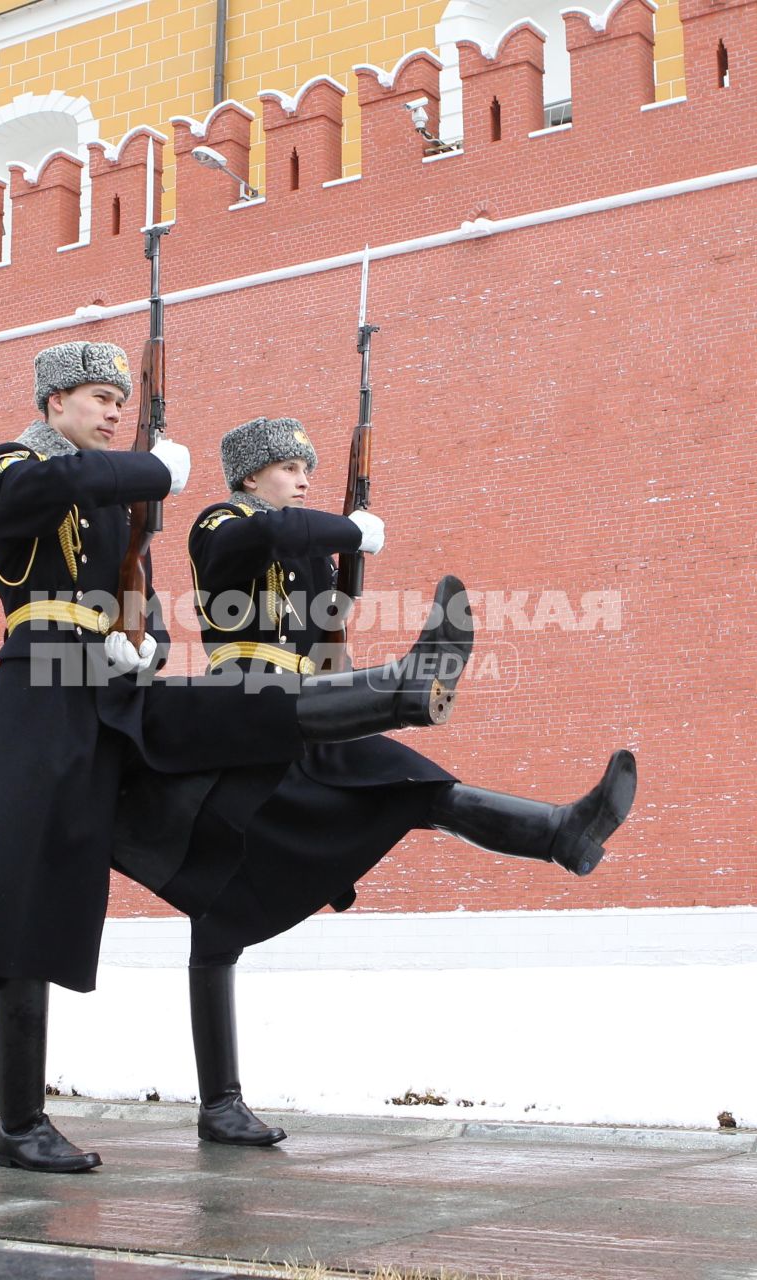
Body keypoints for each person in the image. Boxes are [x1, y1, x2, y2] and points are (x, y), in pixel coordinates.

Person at [0, 341, 476, 1173]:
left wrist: (143, 641)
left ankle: (401, 688)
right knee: (31, 912)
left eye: (120, 398)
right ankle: (19, 1124)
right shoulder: (13, 463)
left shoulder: (113, 493)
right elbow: (47, 491)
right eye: (100, 397)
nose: (112, 411)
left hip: (111, 691)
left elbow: (129, 585)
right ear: (54, 401)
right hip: (40, 695)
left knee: (238, 712)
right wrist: (149, 470)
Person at [180, 416, 639, 1145]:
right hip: (244, 716)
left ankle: (560, 832)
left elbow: (321, 630)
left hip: (310, 719)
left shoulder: (304, 545)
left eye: (308, 468)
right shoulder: (221, 521)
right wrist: (344, 533)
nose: (303, 478)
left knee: (419, 787)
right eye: (289, 467)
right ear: (248, 476)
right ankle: (220, 1103)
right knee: (217, 924)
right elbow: (257, 541)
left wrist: (343, 575)